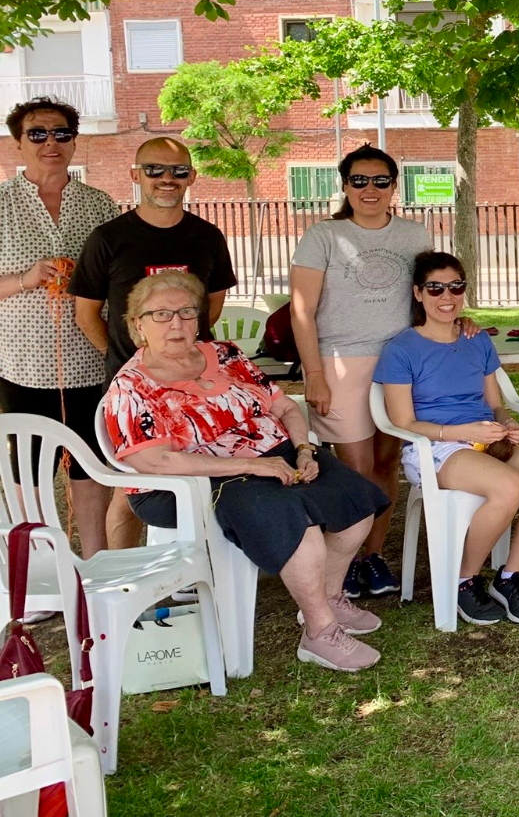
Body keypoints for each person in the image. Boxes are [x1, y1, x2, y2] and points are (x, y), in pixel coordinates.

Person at [103, 272, 390, 673]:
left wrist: (305, 450)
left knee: (356, 502)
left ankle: (325, 600)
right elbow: (154, 461)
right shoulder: (133, 386)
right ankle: (320, 634)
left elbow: (285, 407)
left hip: (275, 455)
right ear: (138, 325)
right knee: (296, 522)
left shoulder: (225, 355)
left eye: (186, 312)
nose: (177, 324)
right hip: (193, 482)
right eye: (162, 315)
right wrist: (253, 465)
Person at [375, 253, 519, 626]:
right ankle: (463, 580)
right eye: (435, 288)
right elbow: (403, 422)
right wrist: (463, 433)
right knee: (509, 486)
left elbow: (494, 404)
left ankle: (510, 577)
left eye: (456, 286)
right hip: (436, 446)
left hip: (485, 437)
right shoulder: (401, 349)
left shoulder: (475, 339)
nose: (447, 296)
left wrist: (508, 424)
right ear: (418, 293)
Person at [71, 135, 236, 551]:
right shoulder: (108, 238)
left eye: (178, 172)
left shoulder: (208, 236)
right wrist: (137, 361)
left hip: (199, 385)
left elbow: (210, 308)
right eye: (155, 170)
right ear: (135, 175)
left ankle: (202, 569)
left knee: (208, 473)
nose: (167, 179)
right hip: (135, 391)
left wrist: (180, 352)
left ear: (192, 178)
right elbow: (86, 314)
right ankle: (123, 581)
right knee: (133, 490)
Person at [290, 144, 431, 599]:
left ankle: (372, 556)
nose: (370, 189)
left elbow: (428, 295)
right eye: (359, 181)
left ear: (394, 186)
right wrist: (314, 372)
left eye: (381, 181)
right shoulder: (322, 236)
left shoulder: (414, 235)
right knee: (355, 468)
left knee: (388, 462)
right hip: (341, 362)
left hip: (401, 361)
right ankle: (344, 559)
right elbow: (302, 311)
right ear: (345, 186)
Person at [0, 99, 118, 557]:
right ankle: (32, 569)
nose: (51, 142)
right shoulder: (2, 203)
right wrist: (27, 279)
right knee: (27, 471)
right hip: (21, 365)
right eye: (38, 134)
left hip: (89, 359)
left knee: (90, 465)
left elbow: (117, 279)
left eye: (61, 133)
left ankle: (94, 564)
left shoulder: (99, 204)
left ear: (73, 140)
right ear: (18, 142)